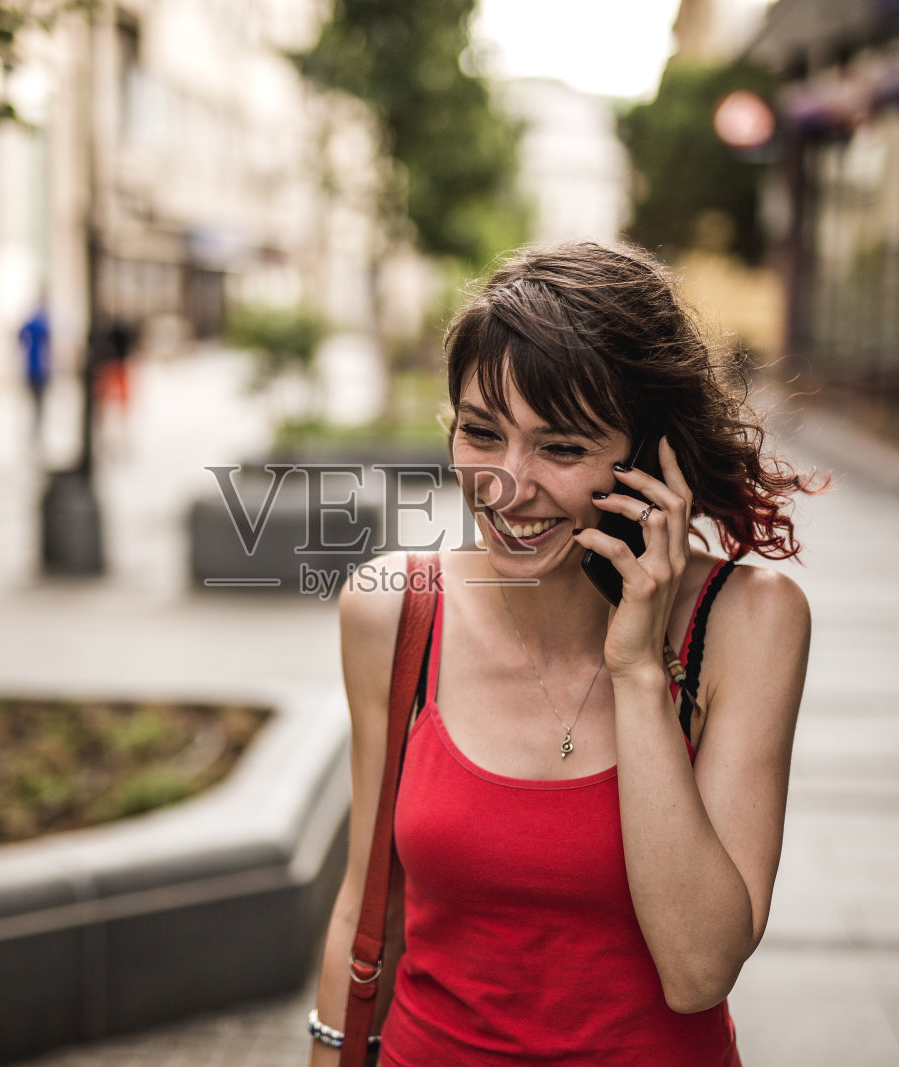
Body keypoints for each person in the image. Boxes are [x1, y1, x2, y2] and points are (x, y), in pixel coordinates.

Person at [309, 242, 819, 1065]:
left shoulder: (746, 623)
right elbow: (365, 911)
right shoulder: (394, 610)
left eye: (562, 447)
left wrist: (639, 672)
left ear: (652, 461)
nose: (508, 483)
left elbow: (698, 969)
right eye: (482, 433)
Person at [19, 299, 52, 441]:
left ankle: (34, 431)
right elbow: (49, 346)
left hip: (29, 368)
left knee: (33, 402)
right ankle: (37, 431)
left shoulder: (28, 324)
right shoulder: (43, 325)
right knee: (40, 403)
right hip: (41, 369)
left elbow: (20, 339)